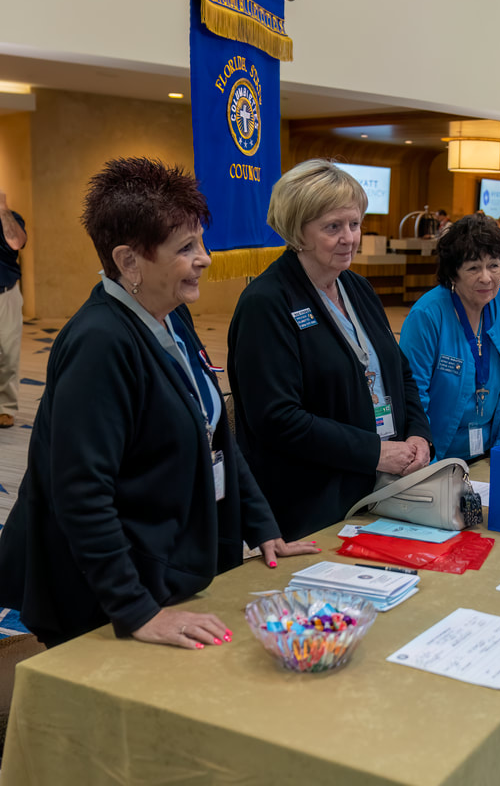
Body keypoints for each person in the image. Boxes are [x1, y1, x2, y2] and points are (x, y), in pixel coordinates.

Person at [0, 158, 318, 648]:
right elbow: (81, 493)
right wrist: (137, 612)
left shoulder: (170, 315)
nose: (206, 258)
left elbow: (215, 434)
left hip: (164, 560)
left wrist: (261, 526)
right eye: (186, 247)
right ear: (129, 262)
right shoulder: (100, 343)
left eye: (202, 242)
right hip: (101, 593)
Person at [227, 160, 432, 541]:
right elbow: (277, 419)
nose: (349, 238)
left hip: (383, 485)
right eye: (332, 227)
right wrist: (374, 452)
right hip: (314, 501)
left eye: (354, 224)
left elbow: (399, 373)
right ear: (297, 231)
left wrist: (419, 434)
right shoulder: (266, 302)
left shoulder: (357, 288)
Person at [399, 213, 500, 461]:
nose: (486, 277)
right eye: (473, 268)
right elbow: (414, 396)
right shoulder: (427, 315)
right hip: (436, 452)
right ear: (453, 274)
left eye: (494, 265)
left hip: (492, 448)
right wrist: (432, 464)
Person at [0, 187, 27, 429]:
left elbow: (16, 242)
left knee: (8, 354)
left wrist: (2, 209)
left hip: (5, 296)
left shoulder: (11, 218)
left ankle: (5, 408)